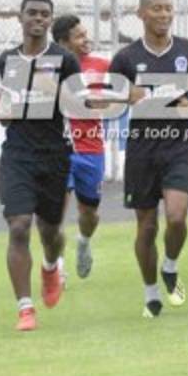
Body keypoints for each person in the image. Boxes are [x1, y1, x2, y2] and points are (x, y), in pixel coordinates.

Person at [108, 0, 188, 318]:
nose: (164, 14)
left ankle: (170, 265)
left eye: (168, 8)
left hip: (178, 145)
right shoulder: (125, 58)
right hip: (141, 148)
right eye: (157, 9)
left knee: (177, 217)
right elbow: (107, 96)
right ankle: (151, 292)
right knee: (147, 226)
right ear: (141, 14)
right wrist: (128, 96)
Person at [0, 0, 82, 331]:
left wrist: (53, 89)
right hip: (17, 154)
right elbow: (6, 113)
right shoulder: (7, 60)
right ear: (20, 18)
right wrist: (4, 111)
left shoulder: (65, 59)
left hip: (54, 155)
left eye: (44, 14)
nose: (38, 19)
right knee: (19, 226)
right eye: (31, 13)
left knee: (51, 232)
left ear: (50, 20)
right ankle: (25, 307)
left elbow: (78, 108)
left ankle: (50, 266)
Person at [50, 15, 109, 280]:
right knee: (54, 215)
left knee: (89, 214)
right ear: (64, 42)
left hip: (91, 149)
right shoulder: (49, 68)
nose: (86, 40)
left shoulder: (102, 65)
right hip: (58, 150)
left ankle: (84, 241)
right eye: (79, 36)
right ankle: (57, 267)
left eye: (86, 34)